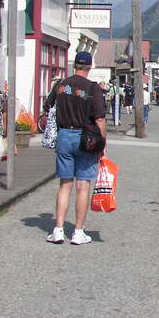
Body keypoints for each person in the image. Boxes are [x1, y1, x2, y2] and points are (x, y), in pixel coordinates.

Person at [46, 51, 107, 245]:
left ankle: (58, 229)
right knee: (82, 185)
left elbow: (48, 106)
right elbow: (99, 118)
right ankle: (78, 232)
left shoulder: (61, 85)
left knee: (65, 185)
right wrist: (102, 143)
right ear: (89, 67)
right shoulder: (93, 88)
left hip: (64, 135)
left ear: (75, 66)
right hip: (86, 137)